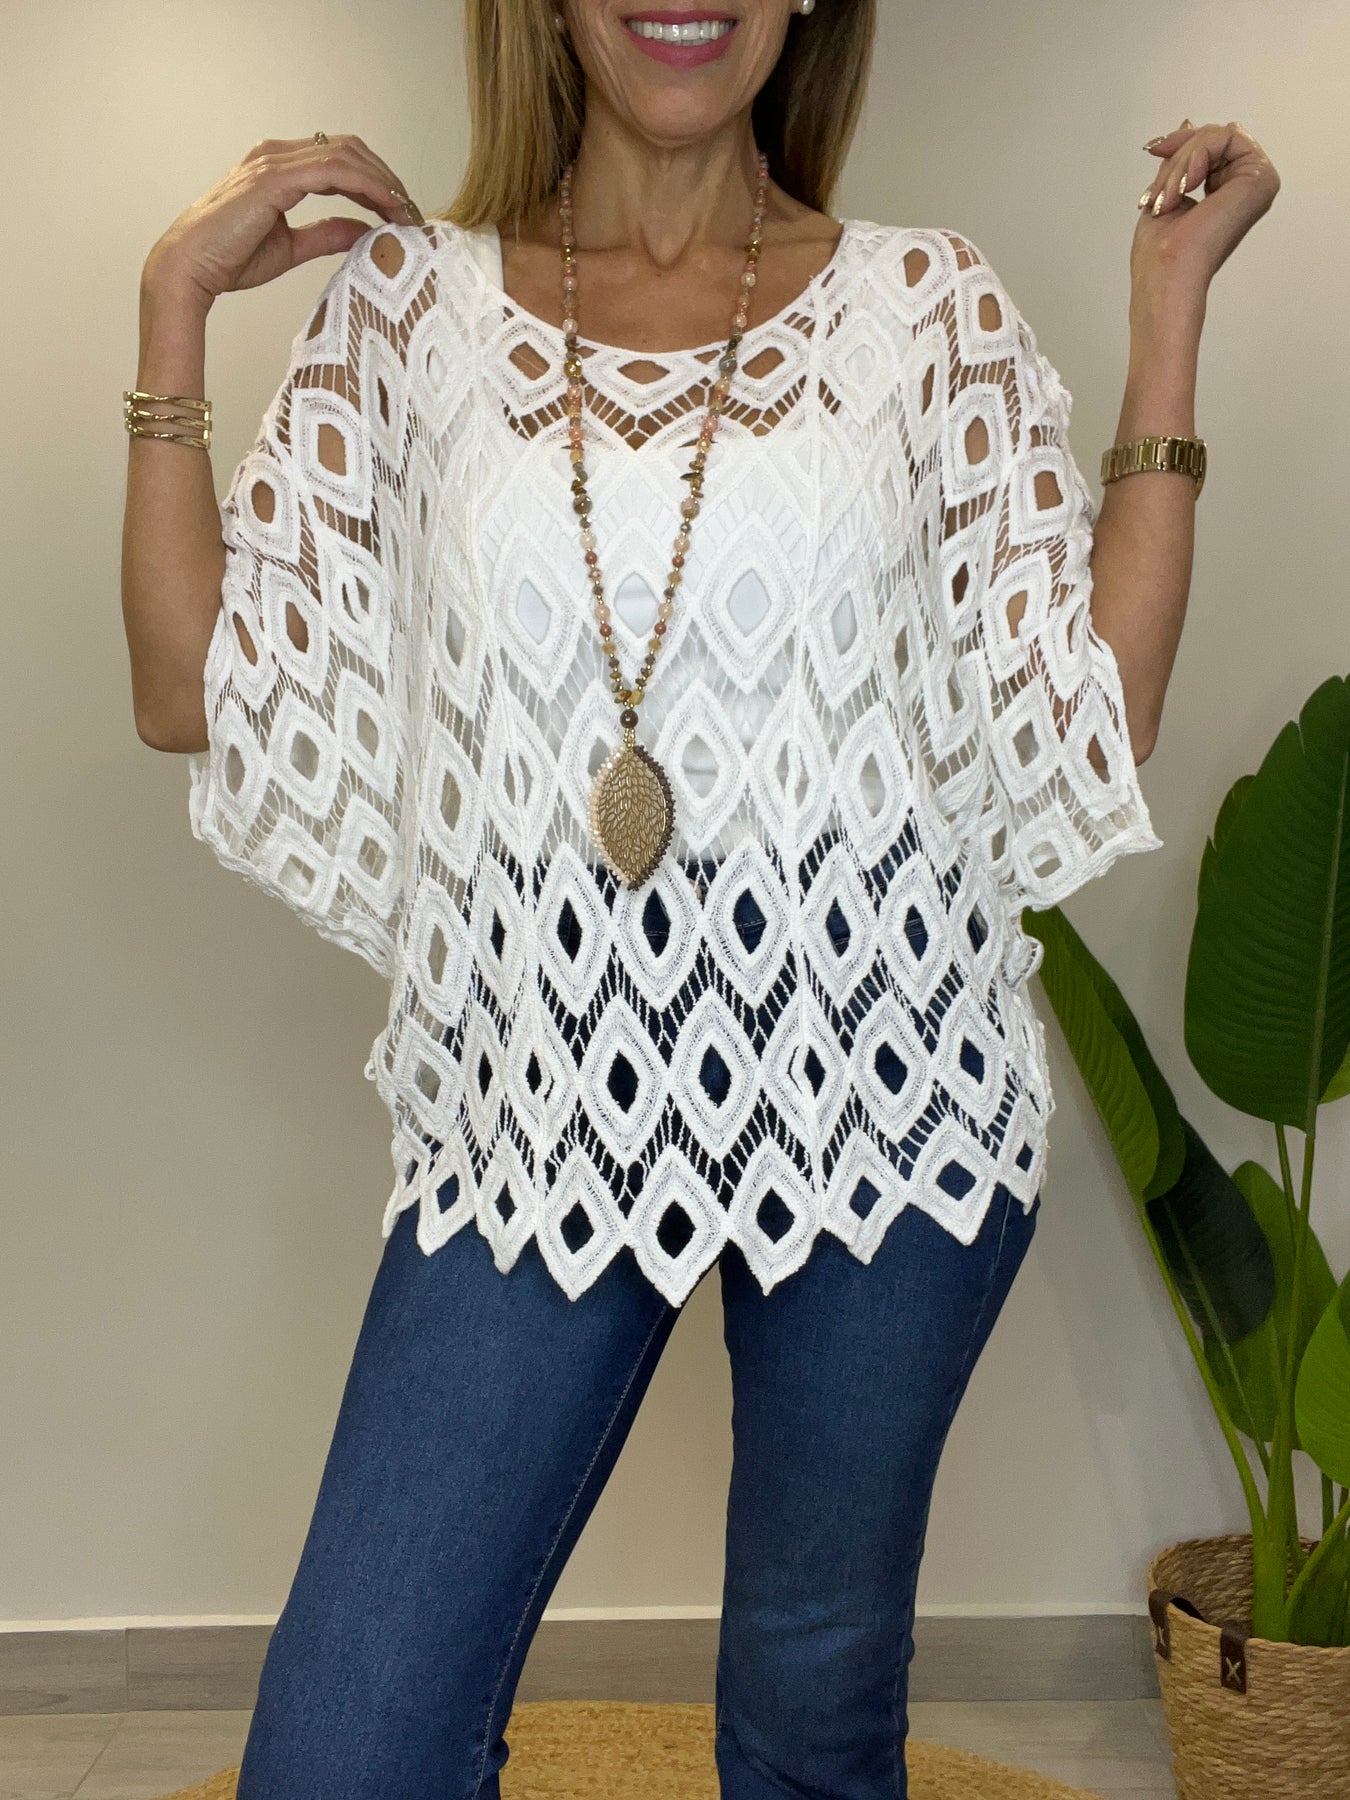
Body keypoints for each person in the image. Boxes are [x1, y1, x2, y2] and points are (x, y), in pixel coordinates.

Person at [120, 2, 1279, 1794]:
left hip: (884, 1092)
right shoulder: (409, 313)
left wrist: (1167, 310)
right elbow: (190, 691)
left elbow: (1090, 715)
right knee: (348, 1746)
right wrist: (173, 307)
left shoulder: (923, 306)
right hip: (535, 1097)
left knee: (810, 1725)